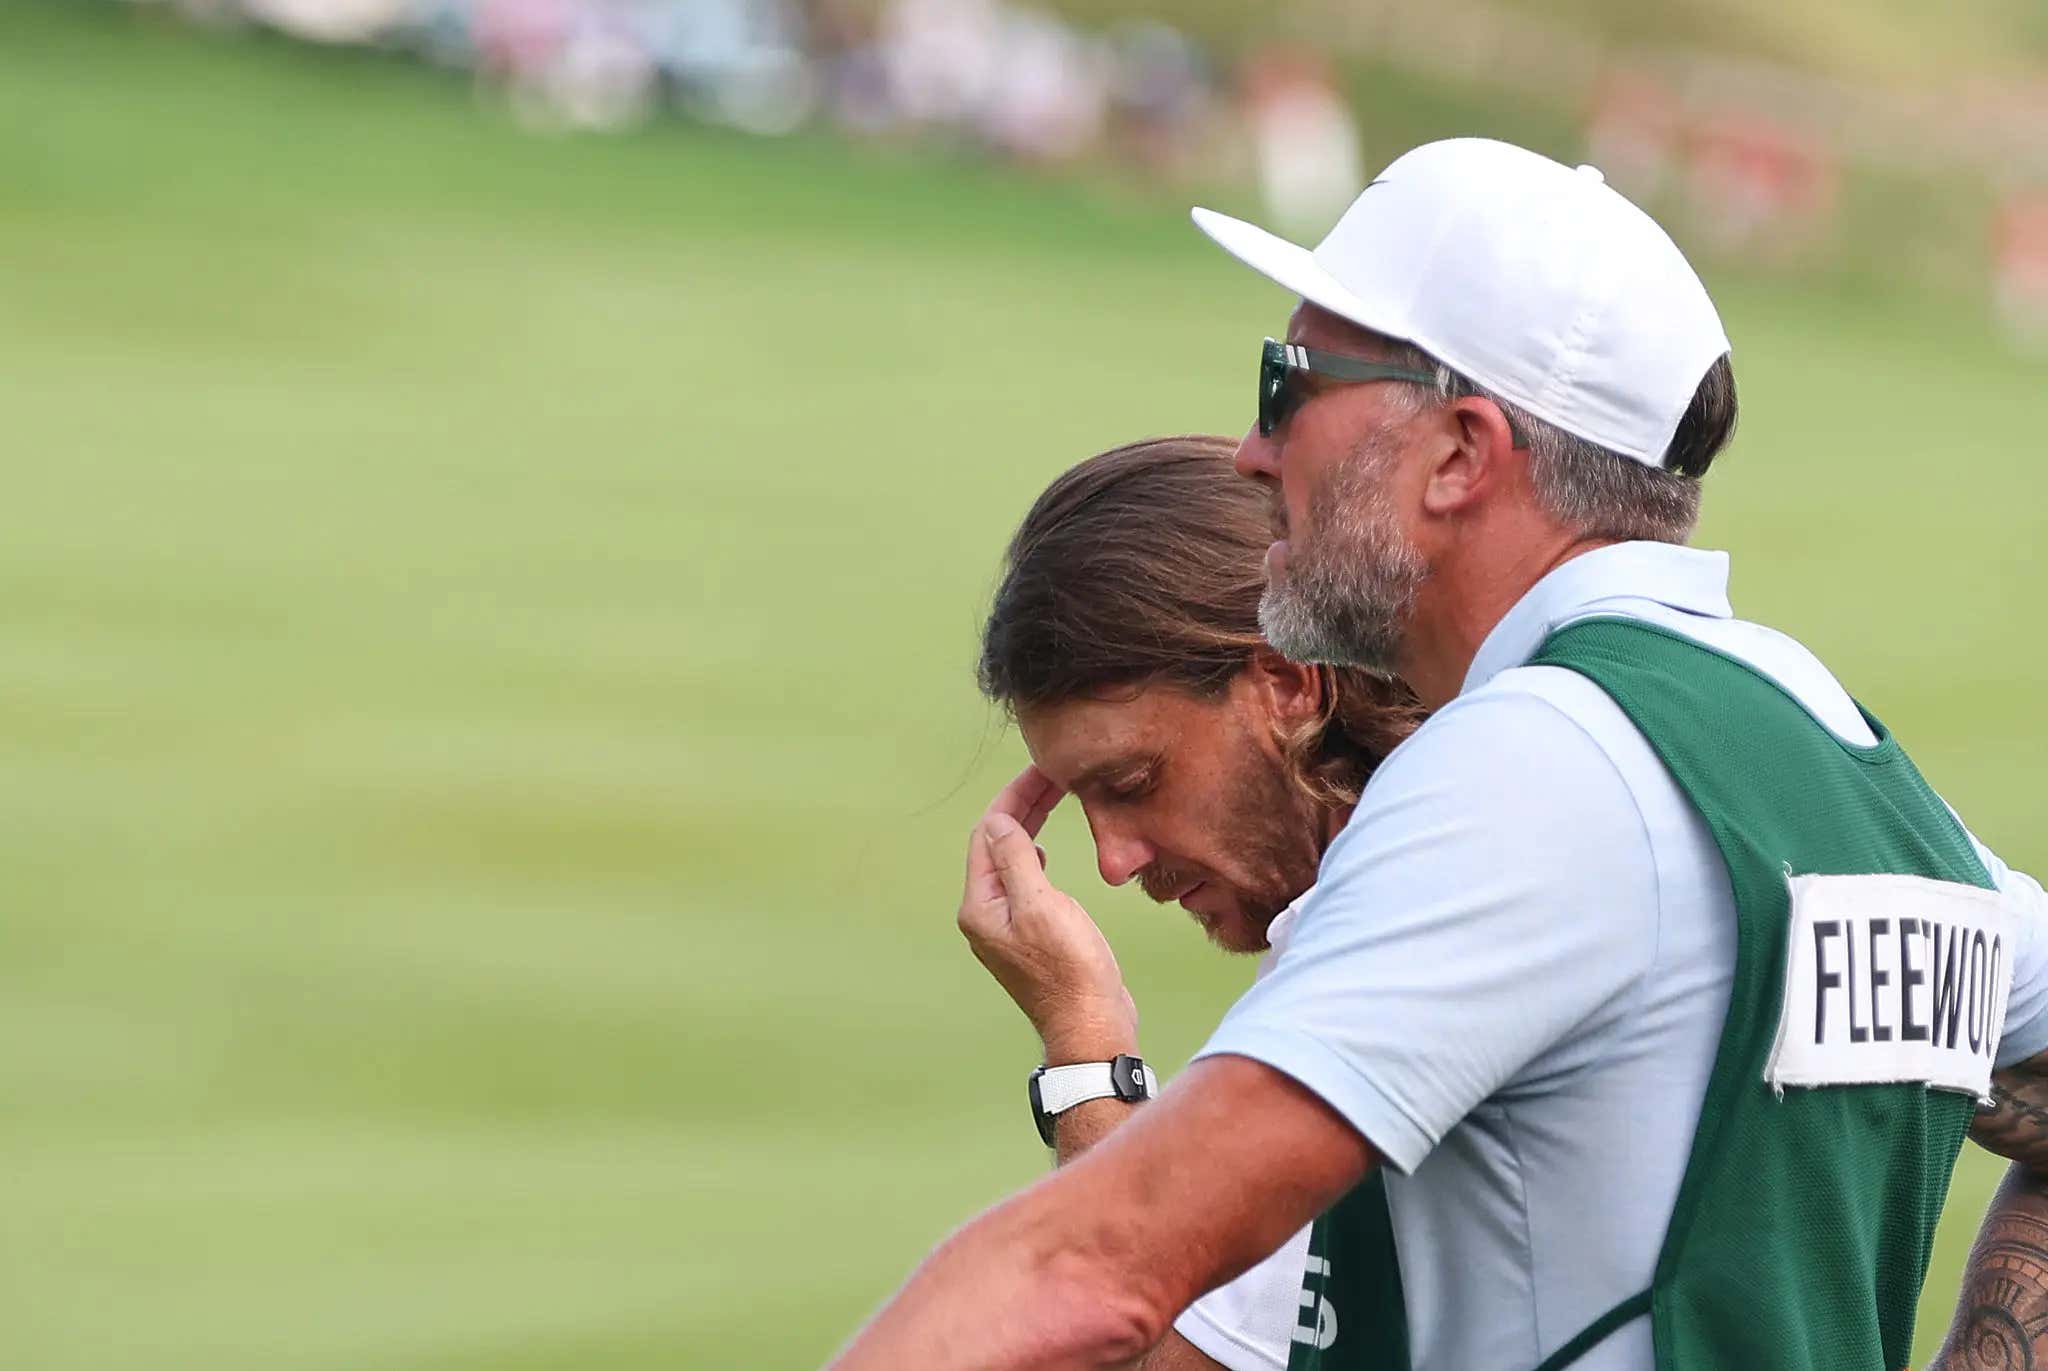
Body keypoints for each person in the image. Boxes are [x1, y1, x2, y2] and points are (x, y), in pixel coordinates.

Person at [826, 137, 2048, 1371]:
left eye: (1287, 385)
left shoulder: (1532, 771)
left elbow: (1097, 1279)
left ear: (1460, 451)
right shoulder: (1837, 755)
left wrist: (1084, 1061)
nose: (1255, 449)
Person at [965, 434, 1422, 1371]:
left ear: (1289, 680)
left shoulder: (1398, 939)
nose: (1114, 862)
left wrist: (1087, 1051)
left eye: (1133, 780)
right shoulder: (1449, 844)